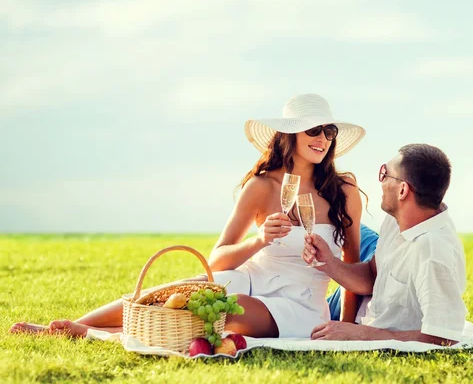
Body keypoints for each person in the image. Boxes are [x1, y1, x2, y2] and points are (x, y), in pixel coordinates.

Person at [10, 93, 366, 339]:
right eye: (314, 129)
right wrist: (260, 240)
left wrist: (348, 329)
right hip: (247, 279)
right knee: (174, 293)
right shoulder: (261, 187)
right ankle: (71, 326)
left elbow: (352, 268)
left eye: (329, 131)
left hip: (299, 304)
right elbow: (219, 258)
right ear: (290, 134)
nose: (323, 139)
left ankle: (96, 333)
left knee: (220, 309)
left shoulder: (344, 191)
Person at [304, 143, 467, 345]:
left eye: (384, 174)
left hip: (366, 319)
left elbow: (443, 336)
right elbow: (373, 274)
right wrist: (328, 262)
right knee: (341, 222)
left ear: (402, 190)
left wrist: (360, 333)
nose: (380, 181)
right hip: (369, 304)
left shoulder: (432, 253)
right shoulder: (397, 218)